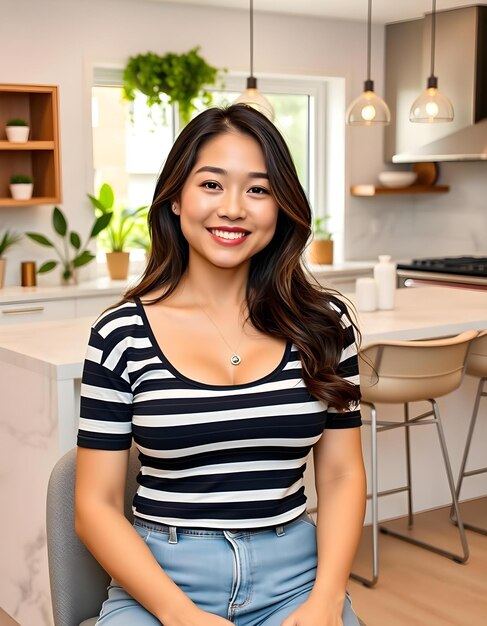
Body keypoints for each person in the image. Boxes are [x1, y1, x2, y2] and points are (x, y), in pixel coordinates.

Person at [75, 104, 366, 626]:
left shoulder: (325, 325)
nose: (233, 208)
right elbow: (93, 504)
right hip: (159, 583)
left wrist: (326, 600)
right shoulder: (120, 334)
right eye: (212, 184)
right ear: (176, 199)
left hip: (296, 580)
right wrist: (179, 614)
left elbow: (343, 473)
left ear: (281, 208)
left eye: (258, 189)